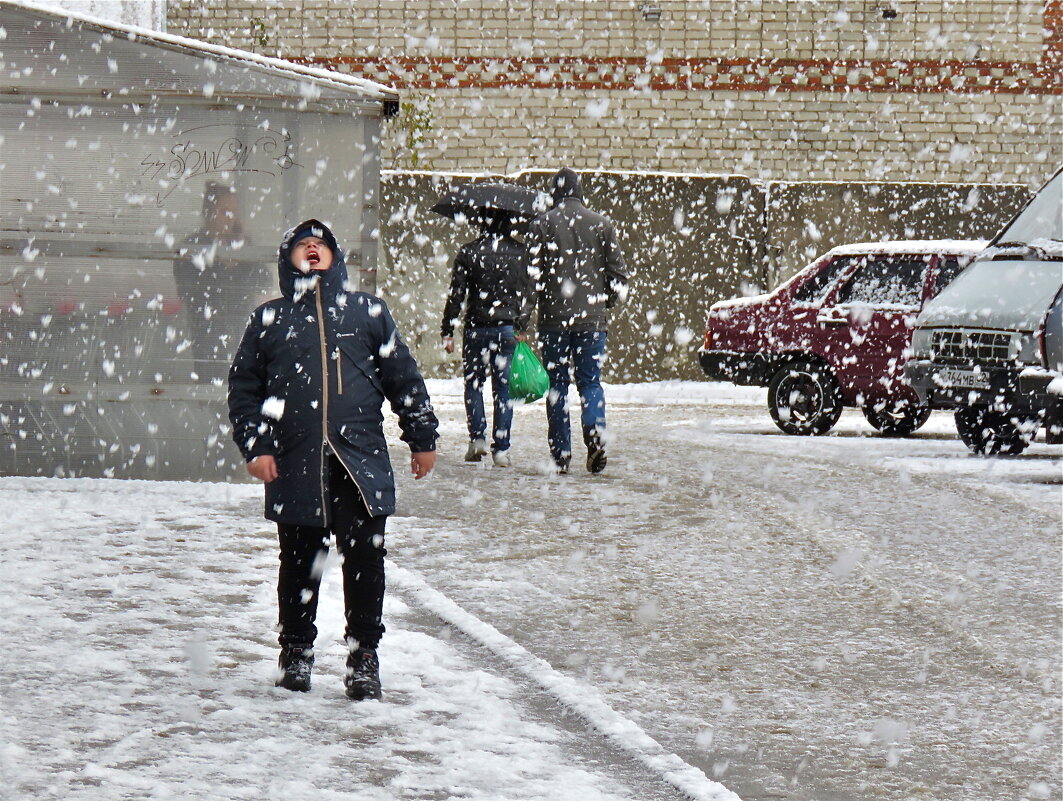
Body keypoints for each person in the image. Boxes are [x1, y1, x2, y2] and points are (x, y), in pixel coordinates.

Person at [228, 219, 438, 701]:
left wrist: (421, 435)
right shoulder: (270, 320)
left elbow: (403, 379)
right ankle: (296, 651)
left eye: (320, 245)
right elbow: (245, 392)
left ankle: (364, 656)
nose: (313, 252)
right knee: (300, 563)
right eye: (303, 246)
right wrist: (256, 446)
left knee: (366, 560)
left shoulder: (368, 314)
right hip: (295, 463)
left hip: (358, 463)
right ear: (289, 260)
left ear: (335, 256)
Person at [526, 168, 629, 474]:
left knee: (557, 385)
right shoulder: (602, 224)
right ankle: (595, 432)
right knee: (590, 383)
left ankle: (561, 454)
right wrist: (603, 303)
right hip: (592, 322)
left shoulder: (541, 225)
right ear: (579, 191)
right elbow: (619, 278)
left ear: (554, 192)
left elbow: (532, 280)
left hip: (553, 321)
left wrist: (522, 320)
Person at [440, 215, 532, 467]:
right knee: (504, 390)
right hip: (507, 329)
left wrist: (447, 329)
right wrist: (521, 325)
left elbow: (456, 293)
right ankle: (501, 449)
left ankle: (477, 439)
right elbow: (528, 292)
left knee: (474, 384)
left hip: (476, 328)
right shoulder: (520, 252)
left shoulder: (469, 251)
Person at [173, 182, 270, 381]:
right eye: (224, 211)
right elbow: (191, 291)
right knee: (211, 389)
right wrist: (225, 265)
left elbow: (264, 281)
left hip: (242, 334)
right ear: (208, 214)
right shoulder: (191, 246)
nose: (230, 217)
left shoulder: (243, 245)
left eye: (233, 212)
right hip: (207, 335)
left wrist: (241, 248)